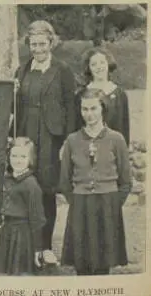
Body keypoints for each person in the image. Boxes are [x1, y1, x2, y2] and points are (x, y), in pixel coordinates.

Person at [12, 20, 77, 264]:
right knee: (26, 189)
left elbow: (71, 107)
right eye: (33, 44)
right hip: (27, 136)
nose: (38, 49)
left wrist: (67, 141)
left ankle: (47, 247)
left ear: (51, 43)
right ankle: (29, 247)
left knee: (46, 191)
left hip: (51, 138)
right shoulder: (22, 70)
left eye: (42, 44)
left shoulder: (62, 70)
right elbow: (15, 107)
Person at [59, 88, 131, 275]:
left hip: (107, 205)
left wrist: (113, 202)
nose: (89, 114)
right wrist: (77, 200)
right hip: (81, 204)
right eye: (84, 109)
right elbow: (65, 181)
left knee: (103, 263)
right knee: (81, 263)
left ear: (103, 109)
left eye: (93, 109)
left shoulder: (116, 139)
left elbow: (125, 180)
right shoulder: (72, 140)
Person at [0, 137, 46, 276]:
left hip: (23, 236)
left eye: (23, 156)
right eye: (14, 155)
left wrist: (37, 249)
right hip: (8, 232)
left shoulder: (31, 184)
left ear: (30, 159)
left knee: (21, 275)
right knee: (6, 276)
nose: (18, 160)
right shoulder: (7, 179)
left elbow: (38, 219)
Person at [75, 47, 130, 145]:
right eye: (93, 64)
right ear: (89, 68)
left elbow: (124, 127)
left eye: (102, 62)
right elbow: (77, 126)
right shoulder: (81, 94)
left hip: (113, 148)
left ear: (108, 64)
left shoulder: (120, 94)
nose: (99, 67)